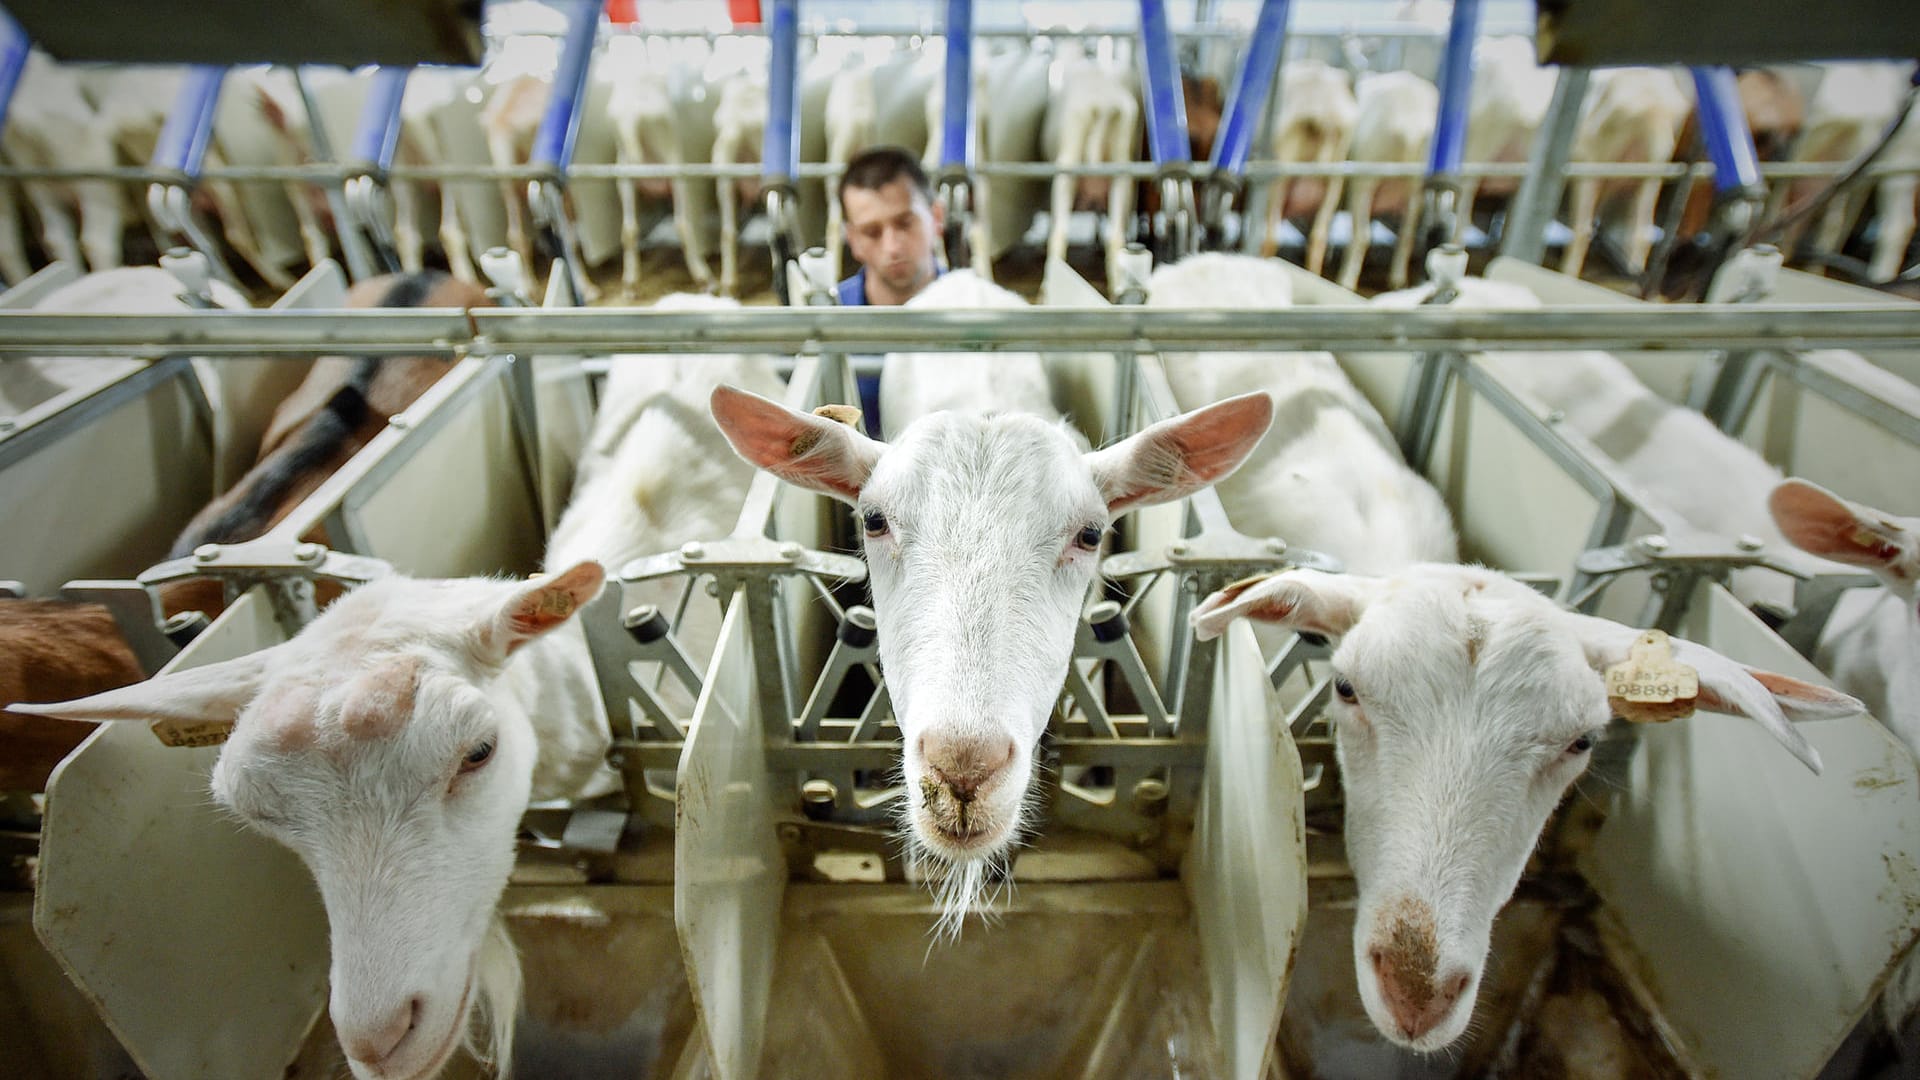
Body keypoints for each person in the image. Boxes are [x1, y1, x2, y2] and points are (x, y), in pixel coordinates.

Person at [836, 145, 947, 307]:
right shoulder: (826, 316)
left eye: (905, 224)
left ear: (936, 217)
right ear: (853, 240)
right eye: (872, 232)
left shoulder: (980, 307)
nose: (892, 248)